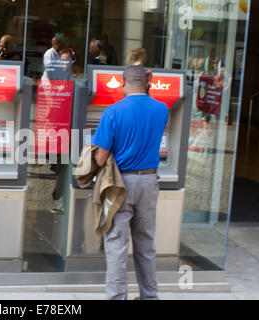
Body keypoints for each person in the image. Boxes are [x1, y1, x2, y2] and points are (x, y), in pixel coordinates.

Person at [92, 65, 168, 300]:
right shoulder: (162, 109)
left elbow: (101, 157)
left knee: (116, 245)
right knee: (145, 244)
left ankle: (117, 297)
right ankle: (149, 296)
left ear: (123, 83)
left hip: (120, 185)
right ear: (146, 83)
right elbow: (148, 110)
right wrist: (149, 85)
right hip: (149, 182)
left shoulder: (113, 112)